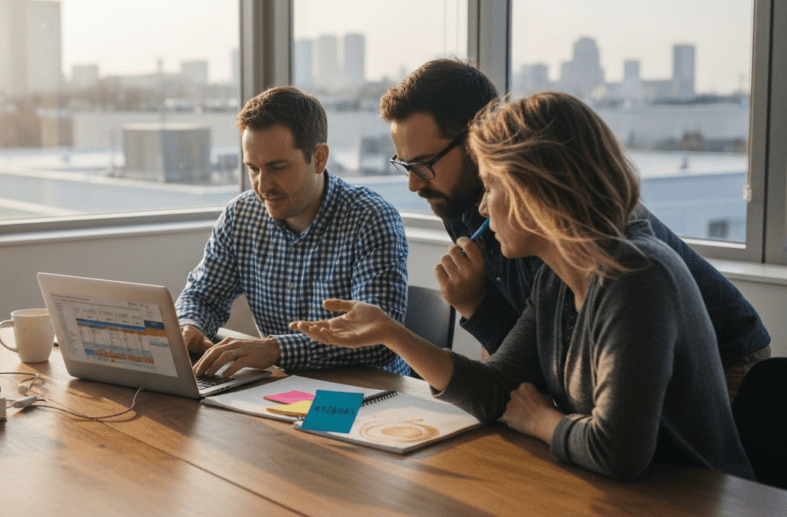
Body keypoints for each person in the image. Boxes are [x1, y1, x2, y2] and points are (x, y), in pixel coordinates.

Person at [292, 92, 754, 480]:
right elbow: (497, 389)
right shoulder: (556, 277)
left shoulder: (635, 275)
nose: (483, 208)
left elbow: (617, 451)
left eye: (491, 188)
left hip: (692, 501)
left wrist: (540, 421)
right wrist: (391, 333)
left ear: (533, 189)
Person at [380, 58, 770, 399]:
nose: (413, 184)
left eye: (423, 164)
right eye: (404, 164)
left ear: (474, 140)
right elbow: (525, 358)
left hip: (721, 358)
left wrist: (475, 308)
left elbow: (549, 370)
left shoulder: (556, 222)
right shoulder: (457, 200)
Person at [177, 86, 409, 377]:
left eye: (277, 167)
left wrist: (276, 349)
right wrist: (190, 325)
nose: (262, 186)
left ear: (319, 158)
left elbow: (376, 338)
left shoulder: (371, 220)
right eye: (253, 169)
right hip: (283, 388)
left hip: (368, 391)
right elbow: (202, 297)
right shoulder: (240, 216)